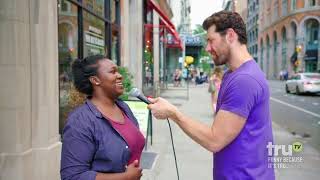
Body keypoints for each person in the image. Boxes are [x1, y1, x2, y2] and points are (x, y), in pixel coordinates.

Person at [147, 11, 275, 179]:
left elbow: (215, 140)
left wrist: (174, 113)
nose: (207, 48)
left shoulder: (244, 80)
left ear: (230, 36)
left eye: (210, 40)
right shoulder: (233, 73)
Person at [60, 55, 144, 180]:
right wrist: (125, 177)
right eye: (113, 71)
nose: (120, 75)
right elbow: (72, 176)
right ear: (95, 80)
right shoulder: (80, 122)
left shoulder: (123, 107)